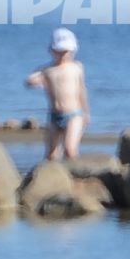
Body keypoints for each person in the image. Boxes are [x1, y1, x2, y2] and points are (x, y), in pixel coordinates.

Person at [25, 28, 88, 160]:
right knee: (51, 154)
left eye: (66, 52)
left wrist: (86, 112)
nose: (63, 55)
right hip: (54, 115)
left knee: (70, 149)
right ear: (52, 50)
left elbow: (82, 90)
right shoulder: (48, 70)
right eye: (59, 52)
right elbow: (30, 80)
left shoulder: (76, 67)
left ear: (73, 51)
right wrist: (34, 81)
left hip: (74, 114)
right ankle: (55, 177)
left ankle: (74, 175)